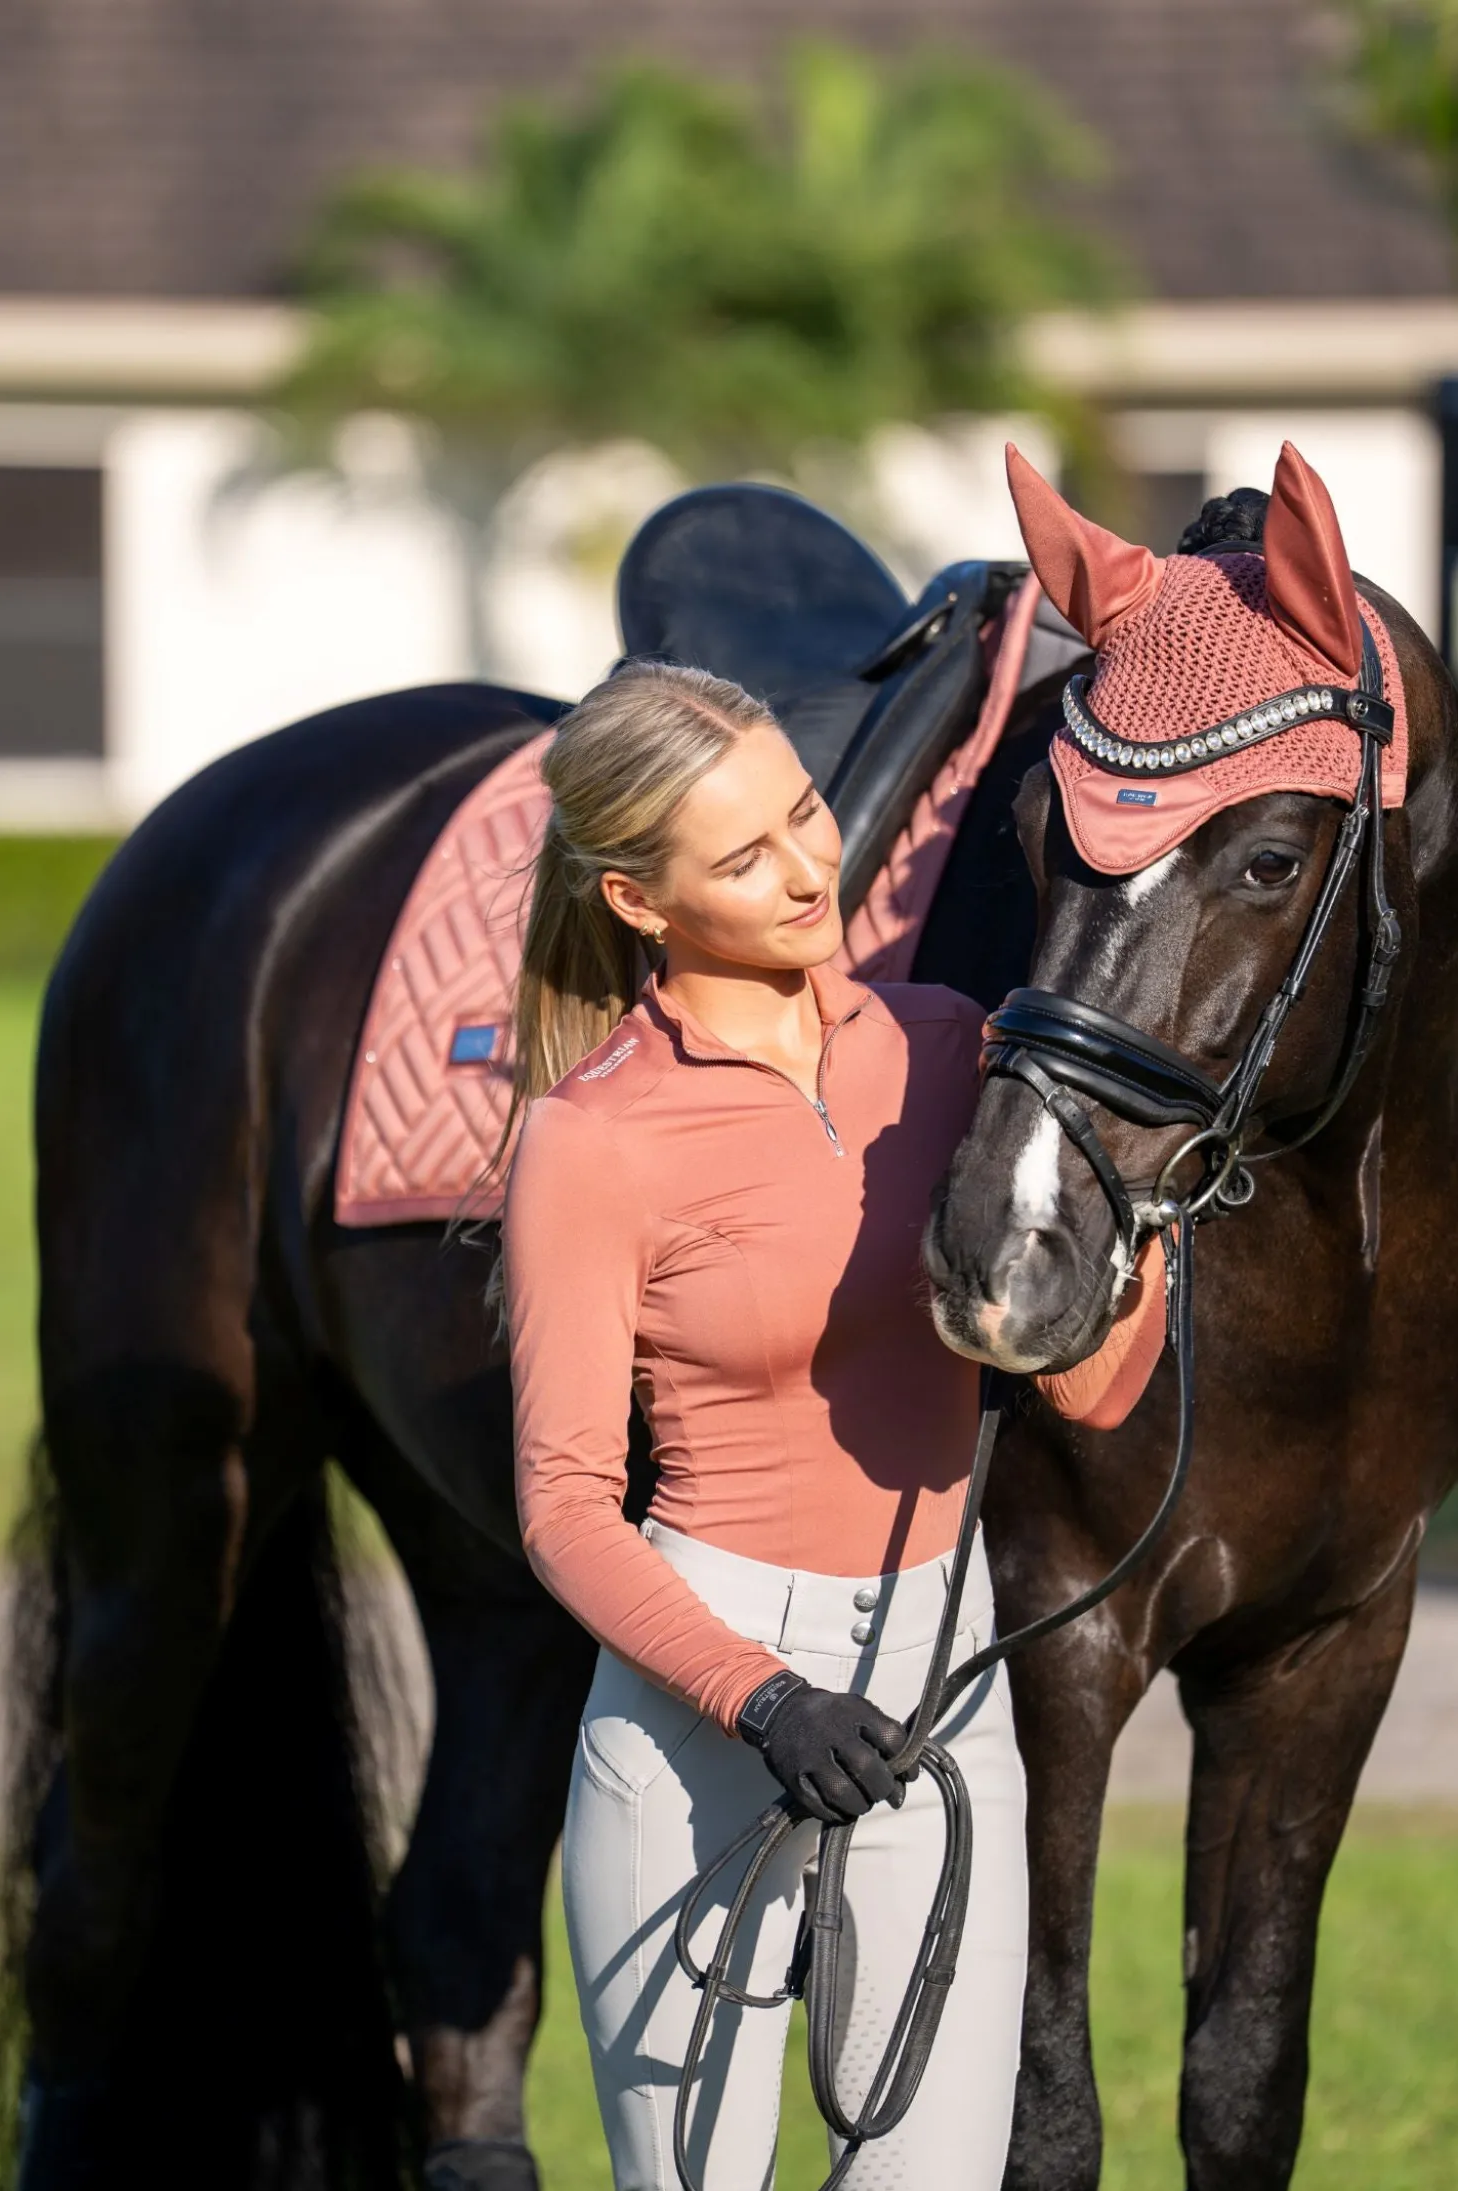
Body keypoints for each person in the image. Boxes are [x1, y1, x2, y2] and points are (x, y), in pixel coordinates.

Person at [499, 662, 1164, 2190]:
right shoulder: (594, 1137)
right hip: (702, 1707)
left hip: (939, 1676)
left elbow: (1086, 1387)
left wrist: (1148, 1224)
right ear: (639, 900)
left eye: (803, 811)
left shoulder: (953, 1047)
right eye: (742, 856)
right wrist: (766, 1701)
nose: (808, 868)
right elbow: (564, 1505)